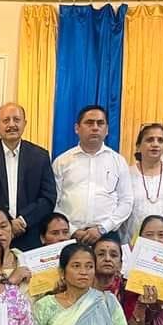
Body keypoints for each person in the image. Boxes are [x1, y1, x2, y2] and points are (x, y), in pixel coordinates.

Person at [0, 102, 58, 251]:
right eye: (6, 120)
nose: (11, 124)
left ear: (25, 123)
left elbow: (48, 197)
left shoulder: (40, 156)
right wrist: (7, 223)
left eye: (16, 120)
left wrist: (23, 220)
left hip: (30, 234)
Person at [52, 105, 133, 246]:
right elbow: (54, 202)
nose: (95, 128)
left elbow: (126, 201)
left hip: (107, 235)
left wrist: (102, 229)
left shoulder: (118, 161)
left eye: (100, 123)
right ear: (77, 128)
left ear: (107, 130)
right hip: (69, 236)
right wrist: (72, 230)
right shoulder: (62, 161)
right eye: (89, 123)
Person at [124, 123, 163, 247]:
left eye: (160, 140)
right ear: (138, 146)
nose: (155, 144)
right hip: (133, 243)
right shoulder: (126, 174)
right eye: (149, 140)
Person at [92, 234, 124, 300]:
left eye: (113, 255)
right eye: (101, 254)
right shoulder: (81, 287)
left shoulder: (126, 291)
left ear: (120, 265)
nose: (107, 259)